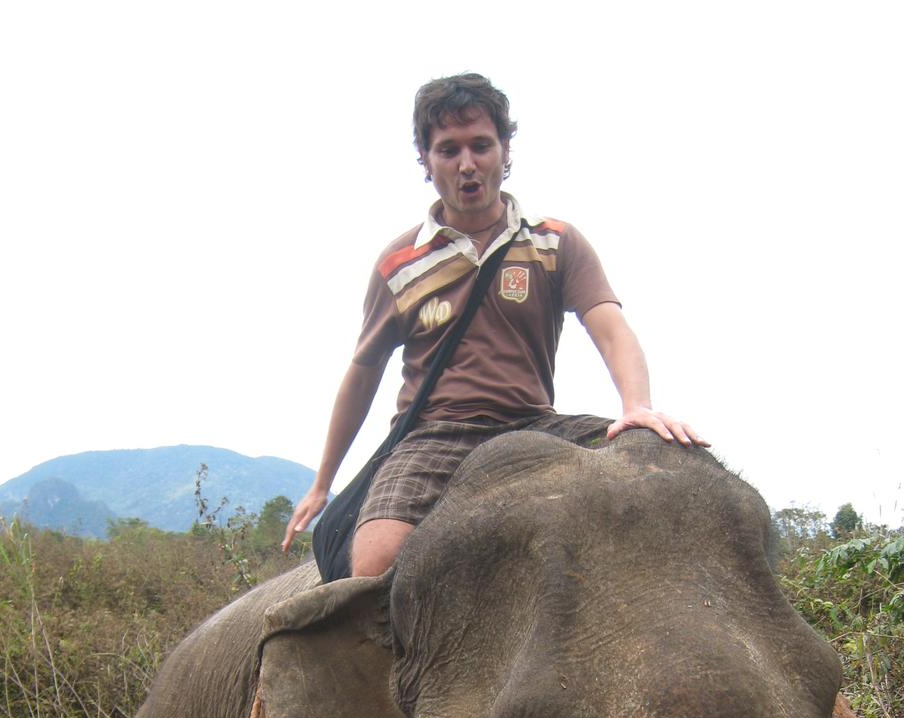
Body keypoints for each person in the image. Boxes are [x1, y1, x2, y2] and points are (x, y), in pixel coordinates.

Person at [282, 73, 707, 575]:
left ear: (505, 151)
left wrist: (637, 407)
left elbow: (611, 329)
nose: (467, 164)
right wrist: (322, 483)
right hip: (434, 437)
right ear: (426, 160)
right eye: (448, 149)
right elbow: (362, 374)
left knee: (665, 465)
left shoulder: (555, 243)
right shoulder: (400, 264)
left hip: (534, 425)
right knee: (375, 562)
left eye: (481, 145)